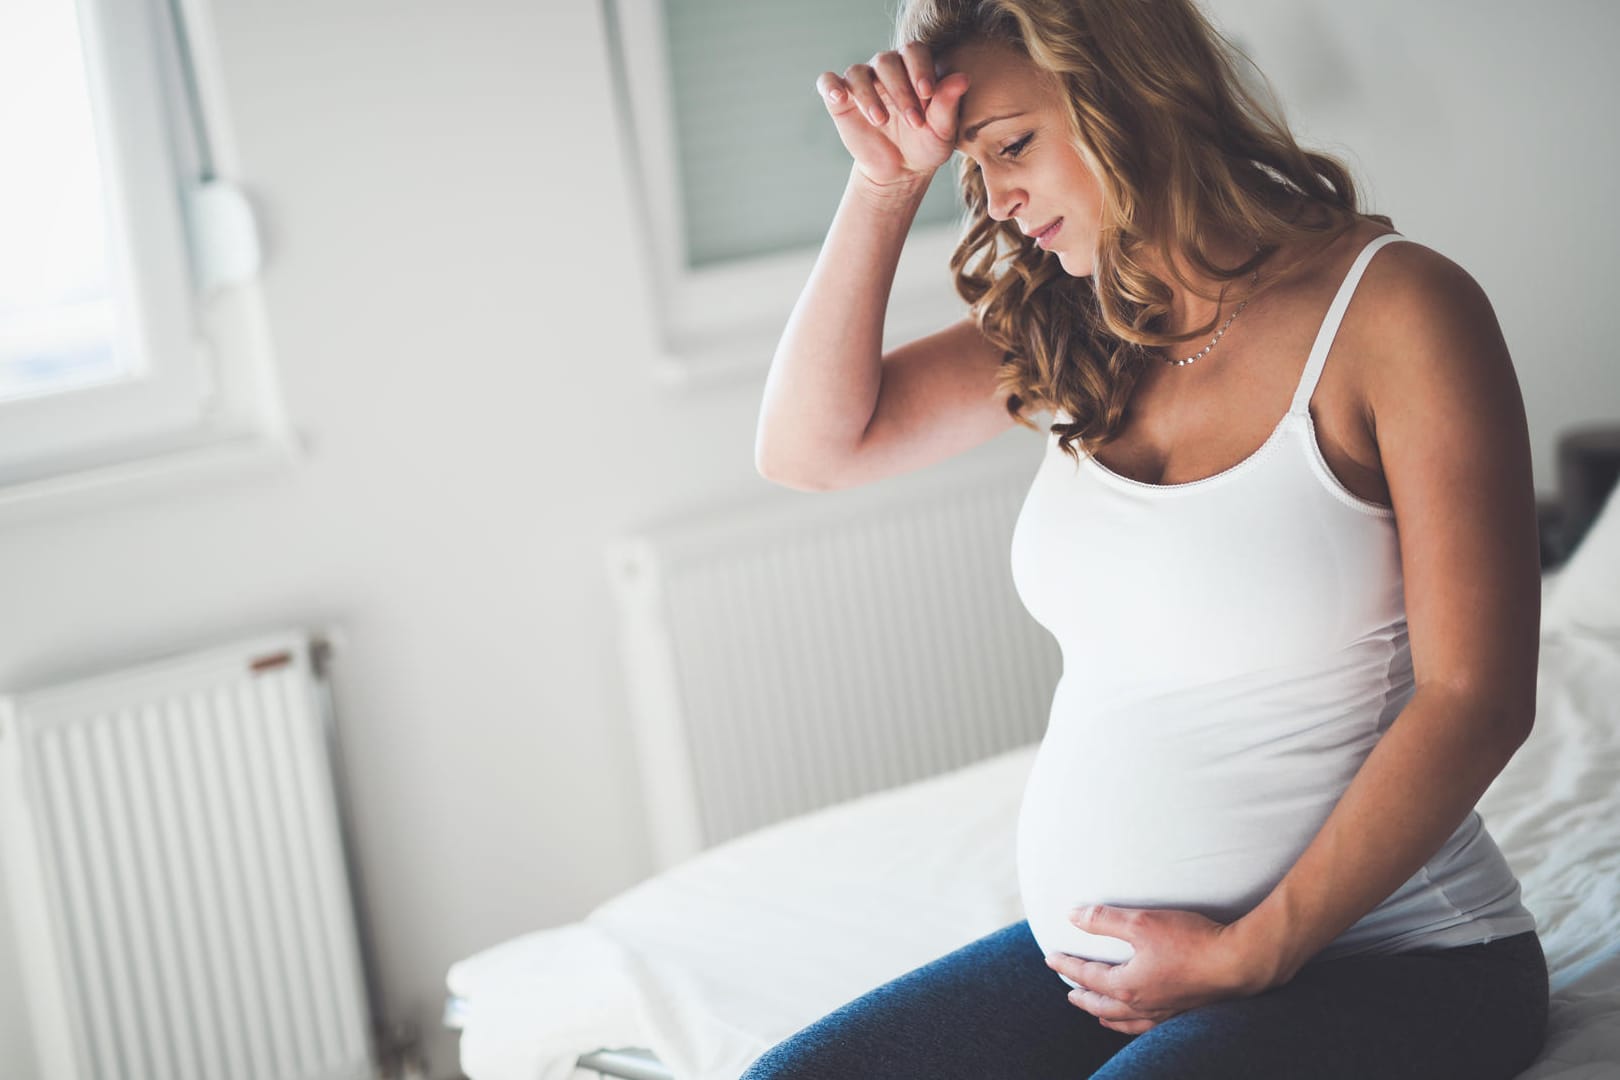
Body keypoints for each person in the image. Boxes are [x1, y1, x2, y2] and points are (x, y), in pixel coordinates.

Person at [747, 0, 1550, 1078]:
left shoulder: (1400, 314)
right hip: (1120, 976)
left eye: (1014, 146)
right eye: (972, 172)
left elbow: (1478, 700)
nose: (996, 197)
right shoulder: (1082, 318)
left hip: (1397, 961)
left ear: (1126, 92)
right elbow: (811, 448)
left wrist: (1250, 954)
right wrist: (887, 183)